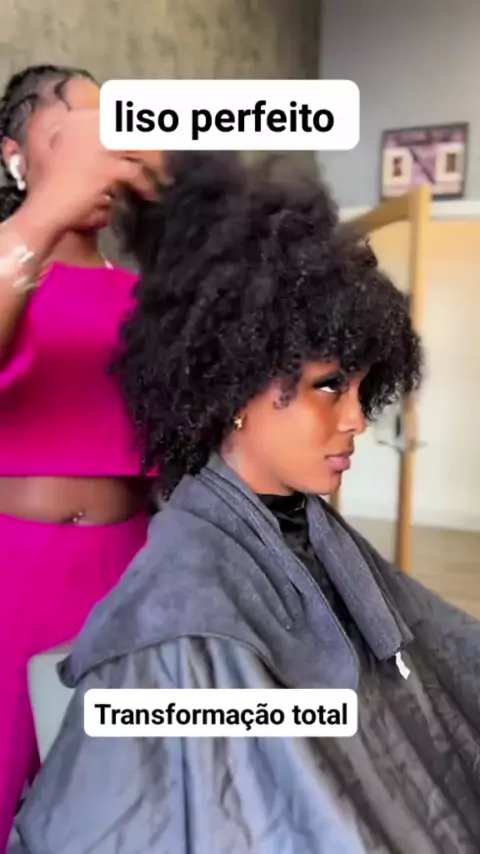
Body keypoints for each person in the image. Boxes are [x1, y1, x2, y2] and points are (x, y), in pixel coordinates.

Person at [12, 154, 480, 853]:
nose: (358, 420)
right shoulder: (192, 604)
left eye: (363, 389)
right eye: (329, 386)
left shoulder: (308, 532)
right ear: (233, 390)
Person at [0, 64, 165, 844]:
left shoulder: (149, 297)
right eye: (78, 129)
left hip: (128, 572)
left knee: (111, 792)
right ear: (15, 155)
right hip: (13, 574)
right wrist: (45, 213)